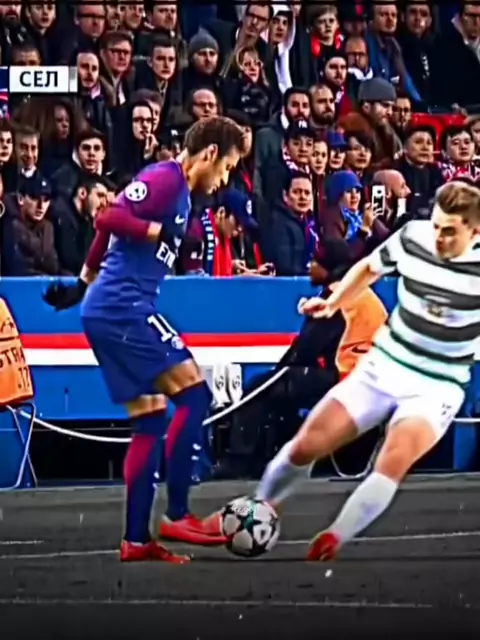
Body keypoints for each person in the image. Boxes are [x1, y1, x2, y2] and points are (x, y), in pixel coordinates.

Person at [42, 116, 247, 563]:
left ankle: (136, 539)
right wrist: (156, 231)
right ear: (210, 154)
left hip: (109, 307)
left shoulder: (180, 192)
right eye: (228, 167)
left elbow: (107, 229)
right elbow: (109, 215)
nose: (225, 179)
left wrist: (82, 283)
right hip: (124, 307)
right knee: (195, 395)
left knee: (151, 418)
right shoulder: (166, 178)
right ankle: (178, 515)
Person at [252, 180, 480, 561]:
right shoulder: (414, 237)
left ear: (474, 232)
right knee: (309, 443)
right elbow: (369, 268)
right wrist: (334, 302)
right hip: (385, 364)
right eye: (437, 226)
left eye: (450, 232)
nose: (439, 238)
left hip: (439, 384)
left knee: (394, 456)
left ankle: (336, 535)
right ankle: (258, 506)